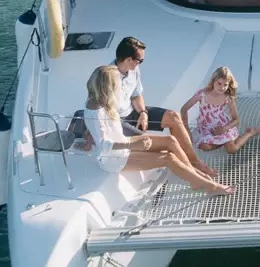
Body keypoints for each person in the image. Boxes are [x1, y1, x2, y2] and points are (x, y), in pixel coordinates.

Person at [83, 66, 234, 194]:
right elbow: (103, 144)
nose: (120, 87)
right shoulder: (97, 111)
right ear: (108, 87)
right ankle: (208, 185)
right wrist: (132, 144)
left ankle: (195, 175)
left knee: (170, 141)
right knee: (168, 158)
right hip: (114, 159)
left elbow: (99, 128)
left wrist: (90, 132)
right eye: (118, 84)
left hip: (124, 143)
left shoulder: (102, 102)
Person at [109, 36, 206, 174]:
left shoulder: (133, 69)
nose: (141, 63)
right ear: (129, 59)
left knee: (173, 117)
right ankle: (190, 171)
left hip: (132, 112)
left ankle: (194, 162)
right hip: (118, 122)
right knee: (160, 143)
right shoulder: (107, 77)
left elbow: (136, 95)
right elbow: (102, 111)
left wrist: (143, 113)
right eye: (140, 60)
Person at [181, 67, 260, 155]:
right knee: (205, 147)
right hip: (206, 126)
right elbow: (183, 109)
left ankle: (250, 132)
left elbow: (236, 119)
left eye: (225, 85)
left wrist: (224, 129)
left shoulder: (228, 97)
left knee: (232, 149)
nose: (222, 87)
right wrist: (187, 131)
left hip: (223, 125)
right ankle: (224, 141)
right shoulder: (202, 94)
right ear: (213, 81)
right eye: (219, 83)